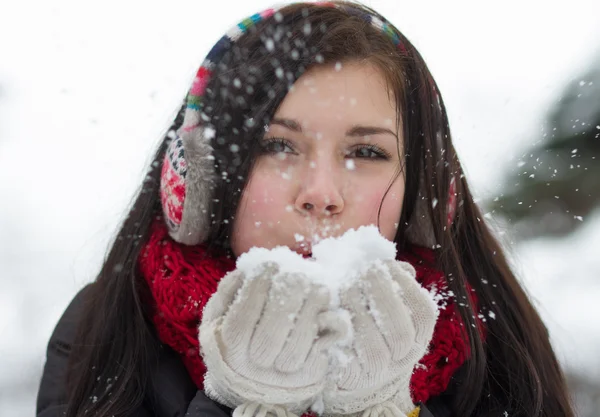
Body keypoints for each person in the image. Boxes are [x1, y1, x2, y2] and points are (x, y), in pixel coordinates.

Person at [36, 2, 575, 417]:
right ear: (197, 181)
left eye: (366, 152)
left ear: (426, 197)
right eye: (277, 146)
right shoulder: (104, 331)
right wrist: (246, 401)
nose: (321, 193)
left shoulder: (498, 345)